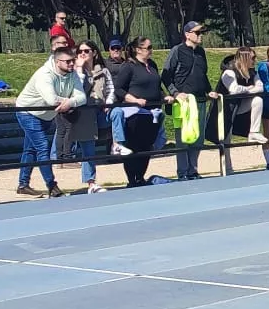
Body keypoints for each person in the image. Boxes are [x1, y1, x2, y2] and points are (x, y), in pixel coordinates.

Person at [15, 46, 88, 198]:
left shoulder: (72, 74)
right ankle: (52, 186)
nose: (71, 64)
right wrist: (70, 102)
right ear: (56, 62)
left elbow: (82, 98)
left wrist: (70, 102)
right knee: (42, 148)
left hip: (46, 116)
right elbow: (51, 100)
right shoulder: (44, 75)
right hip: (27, 112)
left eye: (73, 61)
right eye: (67, 61)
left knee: (30, 149)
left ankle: (23, 185)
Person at [159, 21, 213, 180]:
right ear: (187, 34)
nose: (200, 35)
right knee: (183, 139)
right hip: (183, 103)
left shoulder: (201, 52)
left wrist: (210, 91)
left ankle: (193, 170)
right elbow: (166, 75)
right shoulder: (177, 51)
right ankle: (183, 172)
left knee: (198, 137)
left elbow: (203, 75)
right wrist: (176, 94)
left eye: (201, 32)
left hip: (200, 100)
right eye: (197, 32)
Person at [110, 36, 165, 187]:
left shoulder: (152, 65)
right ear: (138, 50)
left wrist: (165, 97)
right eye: (148, 47)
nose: (151, 50)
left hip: (152, 112)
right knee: (133, 146)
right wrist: (133, 99)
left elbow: (156, 87)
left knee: (146, 146)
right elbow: (119, 89)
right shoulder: (129, 66)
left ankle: (141, 177)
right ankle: (132, 179)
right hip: (134, 113)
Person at [56, 41, 110, 193]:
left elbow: (110, 88)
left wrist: (109, 102)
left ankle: (117, 144)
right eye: (80, 51)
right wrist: (79, 68)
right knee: (88, 149)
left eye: (86, 51)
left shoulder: (102, 70)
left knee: (119, 116)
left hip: (100, 111)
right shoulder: (74, 71)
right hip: (84, 113)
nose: (82, 54)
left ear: (94, 52)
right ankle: (91, 183)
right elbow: (77, 91)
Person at [218, 45, 265, 162]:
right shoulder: (229, 71)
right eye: (253, 58)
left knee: (258, 100)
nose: (255, 61)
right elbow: (233, 90)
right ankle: (227, 169)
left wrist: (247, 89)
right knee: (226, 140)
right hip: (225, 109)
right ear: (245, 58)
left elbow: (261, 87)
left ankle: (254, 132)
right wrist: (249, 88)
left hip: (240, 106)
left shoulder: (252, 71)